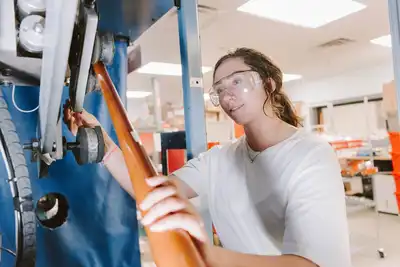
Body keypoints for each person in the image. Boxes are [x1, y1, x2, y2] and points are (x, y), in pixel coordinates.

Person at [64, 48, 351, 267]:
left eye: (238, 81)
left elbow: (311, 264)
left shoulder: (312, 155)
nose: (228, 96)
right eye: (220, 89)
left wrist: (204, 255)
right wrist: (103, 143)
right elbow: (151, 191)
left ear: (270, 84)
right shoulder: (220, 158)